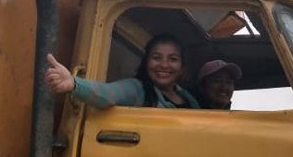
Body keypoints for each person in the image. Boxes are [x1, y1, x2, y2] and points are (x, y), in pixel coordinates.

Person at [45, 33, 200, 109]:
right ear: (146, 61)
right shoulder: (137, 89)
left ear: (182, 67)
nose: (164, 65)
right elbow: (108, 94)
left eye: (173, 59)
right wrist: (74, 83)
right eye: (156, 57)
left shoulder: (188, 98)